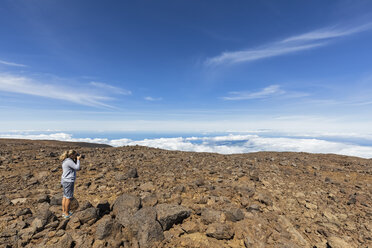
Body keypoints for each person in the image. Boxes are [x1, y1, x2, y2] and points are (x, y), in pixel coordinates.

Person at [59, 150, 82, 218]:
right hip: (68, 181)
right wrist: (78, 160)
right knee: (68, 198)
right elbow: (77, 168)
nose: (76, 156)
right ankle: (66, 214)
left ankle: (64, 211)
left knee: (65, 196)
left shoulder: (66, 160)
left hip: (64, 180)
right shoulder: (69, 161)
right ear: (71, 155)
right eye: (75, 155)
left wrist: (75, 159)